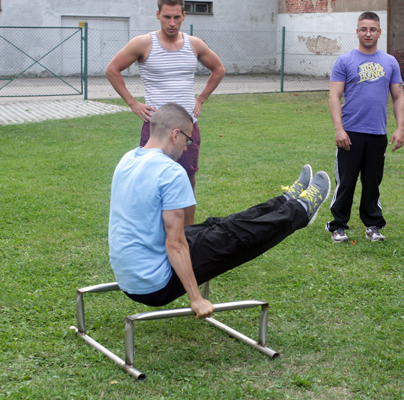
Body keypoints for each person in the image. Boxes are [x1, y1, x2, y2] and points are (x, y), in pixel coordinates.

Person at [108, 103, 331, 317]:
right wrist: (196, 298)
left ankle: (285, 200)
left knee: (219, 225)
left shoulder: (127, 159)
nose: (186, 147)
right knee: (238, 236)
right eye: (187, 139)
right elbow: (175, 243)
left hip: (130, 277)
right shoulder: (169, 171)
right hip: (156, 284)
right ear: (175, 135)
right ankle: (301, 211)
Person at [105, 0, 225, 226]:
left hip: (187, 128)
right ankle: (154, 232)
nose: (172, 23)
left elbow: (219, 69)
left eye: (176, 17)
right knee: (151, 180)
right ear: (158, 15)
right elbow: (112, 70)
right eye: (167, 17)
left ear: (184, 16)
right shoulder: (143, 43)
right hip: (156, 127)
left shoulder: (195, 44)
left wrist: (200, 99)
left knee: (188, 179)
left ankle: (188, 237)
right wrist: (133, 104)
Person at [325, 11, 404, 243]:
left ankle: (373, 225)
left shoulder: (390, 62)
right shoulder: (344, 61)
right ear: (357, 31)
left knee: (372, 182)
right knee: (346, 181)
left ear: (379, 32)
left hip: (378, 133)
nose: (368, 33)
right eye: (363, 29)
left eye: (372, 29)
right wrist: (339, 129)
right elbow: (334, 96)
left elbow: (398, 96)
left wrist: (400, 128)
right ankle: (338, 225)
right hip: (350, 133)